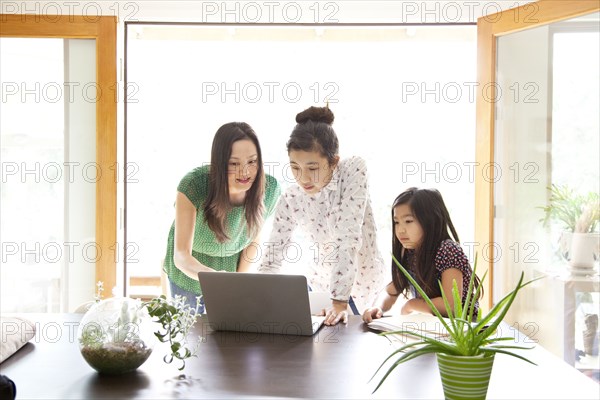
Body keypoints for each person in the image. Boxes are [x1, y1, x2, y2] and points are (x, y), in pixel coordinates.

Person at [258, 106, 385, 326]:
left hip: (361, 285)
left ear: (334, 161)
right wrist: (254, 297)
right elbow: (272, 256)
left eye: (312, 168)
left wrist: (339, 301)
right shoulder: (292, 197)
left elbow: (348, 239)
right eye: (295, 167)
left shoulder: (352, 171)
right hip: (321, 287)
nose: (303, 178)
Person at [163, 122, 281, 311]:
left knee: (229, 334)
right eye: (234, 163)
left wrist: (237, 283)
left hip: (231, 267)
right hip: (189, 270)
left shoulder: (270, 189)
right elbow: (181, 255)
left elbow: (254, 240)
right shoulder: (193, 185)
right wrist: (214, 278)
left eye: (252, 161)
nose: (245, 172)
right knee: (192, 336)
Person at [362, 187, 481, 323]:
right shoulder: (410, 252)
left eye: (408, 221)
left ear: (430, 220)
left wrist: (411, 304)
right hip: (430, 326)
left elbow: (452, 306)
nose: (400, 230)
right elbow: (390, 292)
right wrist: (378, 307)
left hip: (462, 330)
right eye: (396, 222)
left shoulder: (448, 250)